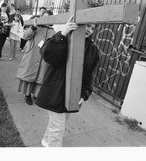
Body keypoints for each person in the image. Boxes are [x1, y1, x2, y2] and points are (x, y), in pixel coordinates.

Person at [35, 16, 101, 147]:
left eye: (93, 28)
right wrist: (62, 34)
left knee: (58, 124)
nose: (89, 30)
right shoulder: (64, 38)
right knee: (58, 128)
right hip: (55, 92)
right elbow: (47, 55)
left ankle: (46, 141)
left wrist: (84, 94)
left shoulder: (93, 50)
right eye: (88, 25)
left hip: (73, 95)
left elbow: (89, 76)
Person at [16, 10, 55, 105]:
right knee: (29, 75)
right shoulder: (35, 27)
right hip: (32, 56)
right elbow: (25, 36)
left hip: (44, 59)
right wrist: (33, 27)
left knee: (41, 77)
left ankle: (37, 95)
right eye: (44, 17)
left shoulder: (53, 32)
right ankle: (27, 95)